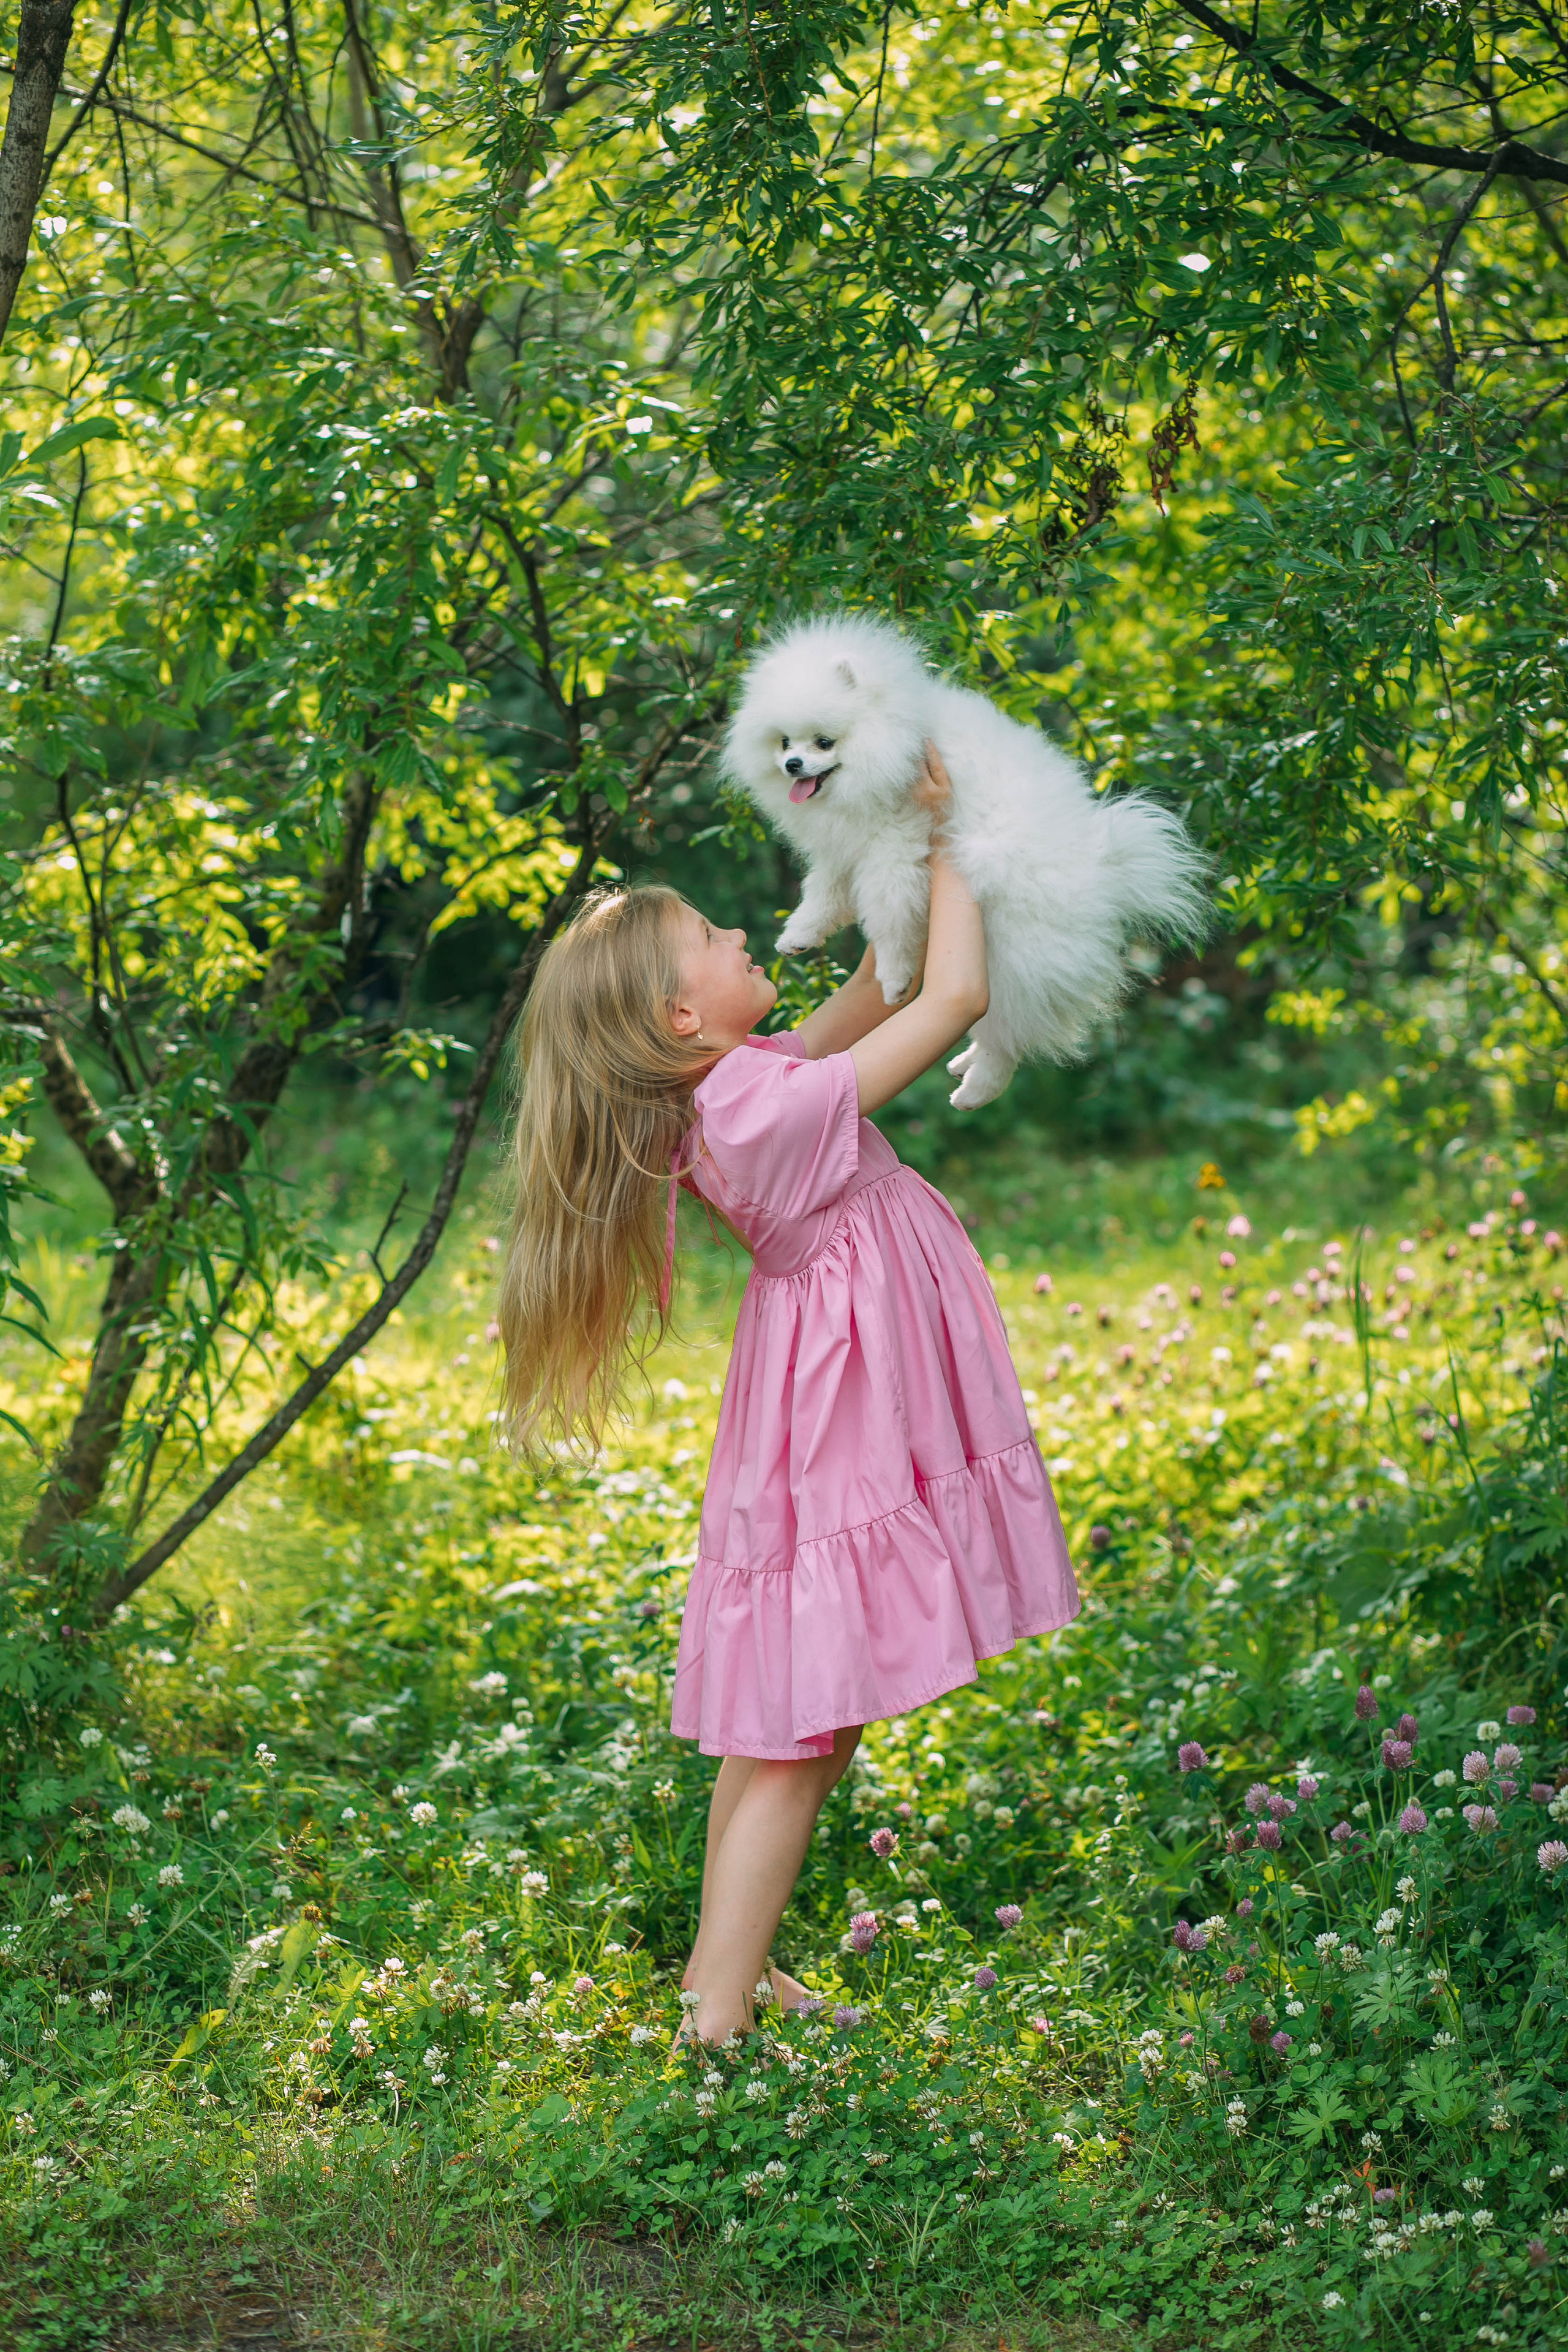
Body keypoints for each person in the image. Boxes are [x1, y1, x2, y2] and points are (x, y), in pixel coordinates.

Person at [498, 747, 1078, 2045]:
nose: (742, 929)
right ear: (676, 1021)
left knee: (794, 1718)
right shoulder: (748, 1115)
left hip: (834, 1386)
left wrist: (895, 841)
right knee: (807, 1724)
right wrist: (957, 834)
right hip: (840, 1406)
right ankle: (715, 2011)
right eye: (711, 936)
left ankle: (732, 1967)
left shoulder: (743, 1079)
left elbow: (887, 979)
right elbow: (953, 995)